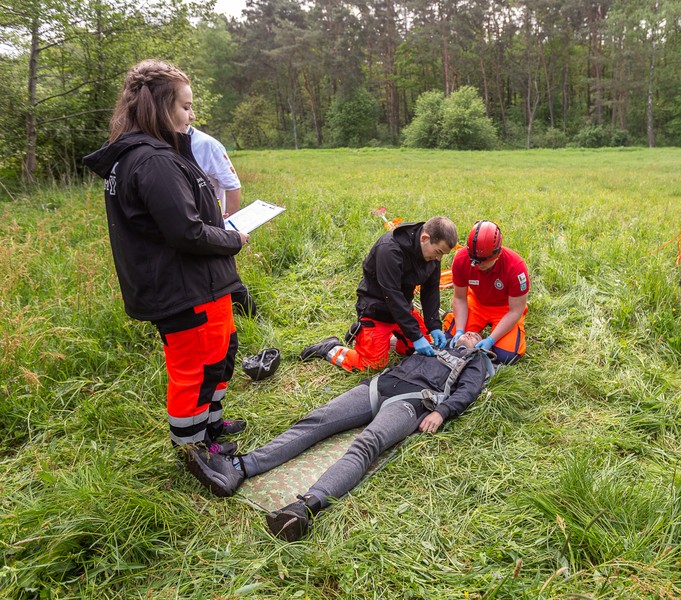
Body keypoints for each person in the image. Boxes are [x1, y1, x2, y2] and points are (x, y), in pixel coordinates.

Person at [83, 59, 249, 453]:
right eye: (185, 106)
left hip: (204, 282)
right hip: (183, 289)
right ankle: (194, 450)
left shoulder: (152, 154)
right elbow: (186, 232)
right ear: (159, 106)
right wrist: (233, 239)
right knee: (196, 370)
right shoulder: (153, 161)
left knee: (222, 354)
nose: (191, 116)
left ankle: (210, 426)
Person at [185, 331, 494, 541]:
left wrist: (441, 412)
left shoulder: (476, 360)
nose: (470, 335)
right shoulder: (431, 341)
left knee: (367, 445)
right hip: (381, 385)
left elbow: (467, 391)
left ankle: (303, 509)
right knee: (317, 420)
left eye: (476, 335)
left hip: (413, 402)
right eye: (467, 331)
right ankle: (238, 468)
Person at [301, 217, 458, 371]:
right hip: (377, 310)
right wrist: (416, 336)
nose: (438, 258)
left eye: (443, 254)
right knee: (372, 365)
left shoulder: (431, 256)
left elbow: (430, 289)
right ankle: (331, 347)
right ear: (425, 238)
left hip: (402, 309)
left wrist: (434, 325)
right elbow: (392, 295)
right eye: (438, 252)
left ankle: (372, 340)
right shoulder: (390, 249)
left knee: (415, 350)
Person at [186, 124, 257, 317]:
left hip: (213, 225)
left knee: (226, 276)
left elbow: (232, 185)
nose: (190, 115)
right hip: (187, 225)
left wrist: (230, 229)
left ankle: (252, 318)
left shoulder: (207, 145)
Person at [443, 220, 529, 364]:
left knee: (505, 356)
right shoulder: (462, 259)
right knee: (450, 341)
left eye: (482, 261)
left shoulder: (515, 267)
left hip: (505, 309)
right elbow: (460, 298)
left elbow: (516, 310)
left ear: (497, 253)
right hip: (477, 303)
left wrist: (491, 339)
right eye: (473, 259)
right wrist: (460, 330)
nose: (476, 265)